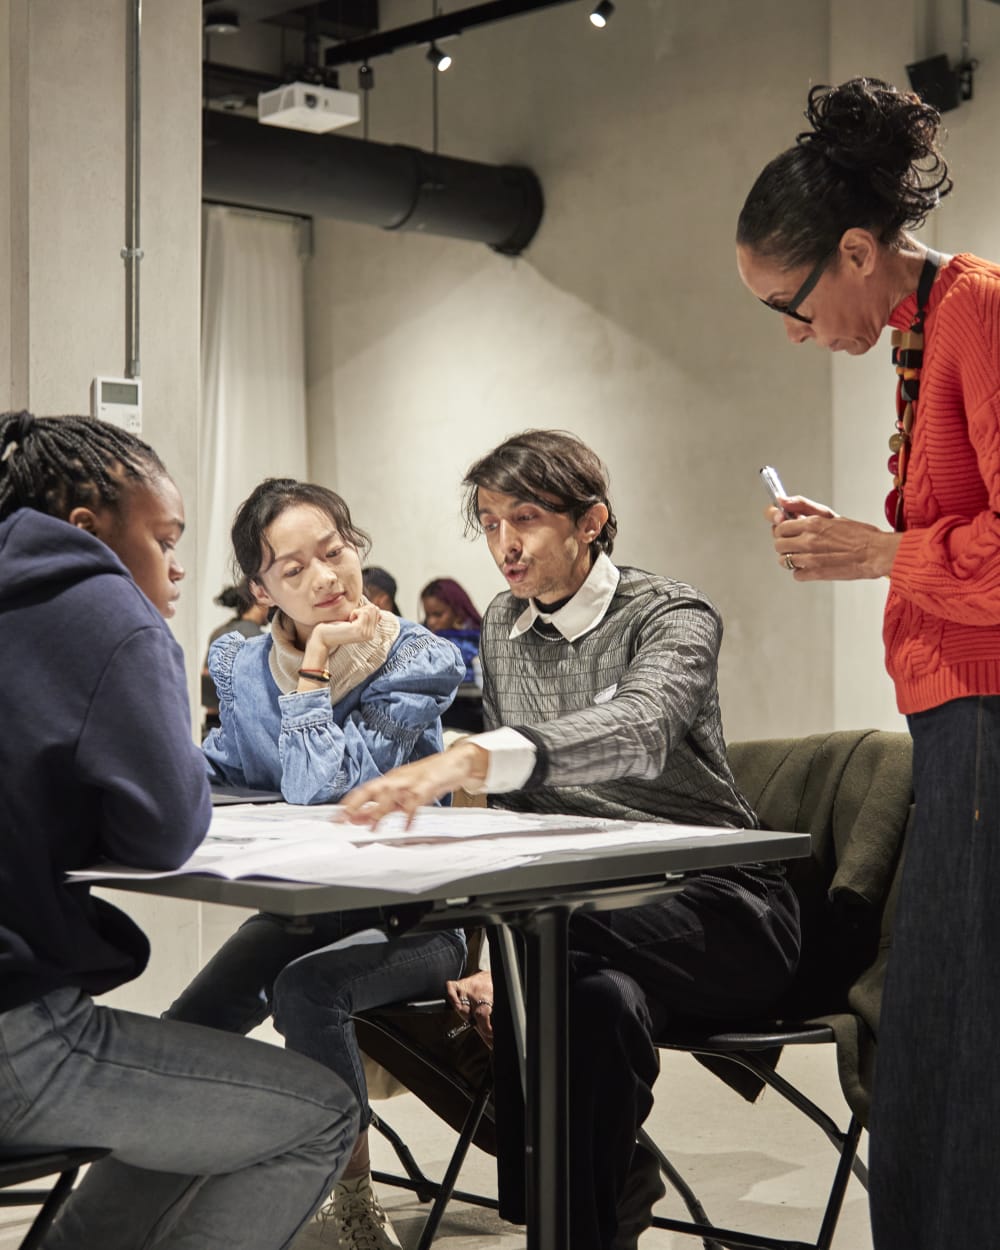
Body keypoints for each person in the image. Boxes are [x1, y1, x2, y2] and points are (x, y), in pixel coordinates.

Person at [340, 429, 801, 1250]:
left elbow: (642, 729)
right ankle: (590, 1218)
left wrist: (481, 756)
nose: (503, 544)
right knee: (590, 1000)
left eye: (525, 518)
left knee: (535, 941)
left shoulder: (670, 615)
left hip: (723, 908)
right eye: (486, 523)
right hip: (592, 925)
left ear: (592, 523)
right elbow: (532, 819)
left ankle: (559, 1199)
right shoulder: (503, 625)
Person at [734, 75, 1000, 1250]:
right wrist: (876, 549)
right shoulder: (923, 328)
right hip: (955, 722)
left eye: (788, 301)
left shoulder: (978, 309)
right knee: (933, 1029)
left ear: (855, 250)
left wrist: (880, 549)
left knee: (960, 1033)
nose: (792, 330)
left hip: (987, 717)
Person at [0, 412, 357, 1250]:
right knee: (317, 1116)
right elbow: (167, 826)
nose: (177, 565)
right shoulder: (113, 614)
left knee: (200, 1077)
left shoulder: (408, 648)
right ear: (87, 531)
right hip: (18, 1034)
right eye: (165, 539)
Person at [165, 477, 467, 1250]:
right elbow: (228, 765)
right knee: (187, 1029)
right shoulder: (237, 662)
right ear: (260, 590)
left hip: (418, 920)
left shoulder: (417, 658)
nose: (326, 578)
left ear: (355, 546)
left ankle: (352, 1197)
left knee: (307, 988)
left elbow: (322, 788)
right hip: (305, 912)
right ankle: (172, 1191)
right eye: (294, 570)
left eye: (333, 552)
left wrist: (314, 672)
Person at [201, 577, 269, 734]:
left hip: (211, 726)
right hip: (242, 730)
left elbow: (207, 684)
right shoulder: (257, 639)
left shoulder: (219, 632)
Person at [421, 576, 484, 732]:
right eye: (428, 615)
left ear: (458, 612)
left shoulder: (482, 640)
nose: (431, 622)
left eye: (438, 614)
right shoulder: (423, 639)